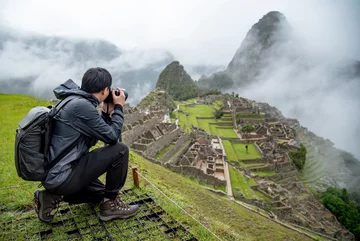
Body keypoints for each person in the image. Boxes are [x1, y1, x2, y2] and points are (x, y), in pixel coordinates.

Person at [34, 67, 139, 223]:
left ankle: (50, 196)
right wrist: (118, 108)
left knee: (101, 192)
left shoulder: (73, 101)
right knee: (121, 151)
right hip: (63, 174)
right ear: (105, 91)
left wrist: (105, 113)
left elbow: (98, 135)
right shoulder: (81, 106)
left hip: (57, 174)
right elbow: (112, 139)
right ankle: (109, 206)